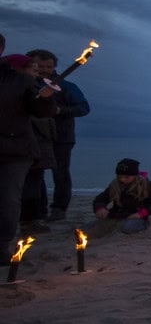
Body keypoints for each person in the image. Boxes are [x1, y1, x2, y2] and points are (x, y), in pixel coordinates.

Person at [1, 42, 56, 263]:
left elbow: (43, 111)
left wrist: (46, 98)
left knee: (8, 199)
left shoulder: (19, 79)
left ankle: (2, 246)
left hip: (14, 148)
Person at [26, 49, 91, 222]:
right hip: (32, 137)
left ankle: (59, 209)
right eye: (40, 66)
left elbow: (83, 108)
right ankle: (39, 210)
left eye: (49, 66)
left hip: (61, 137)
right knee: (34, 174)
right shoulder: (26, 85)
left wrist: (60, 110)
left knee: (60, 173)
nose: (45, 70)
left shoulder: (67, 87)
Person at [89, 158, 151, 237]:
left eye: (126, 177)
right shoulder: (115, 185)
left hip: (137, 218)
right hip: (115, 216)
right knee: (87, 228)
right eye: (120, 176)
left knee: (126, 228)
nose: (122, 179)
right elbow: (101, 198)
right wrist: (100, 208)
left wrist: (141, 214)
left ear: (134, 175)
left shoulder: (147, 185)